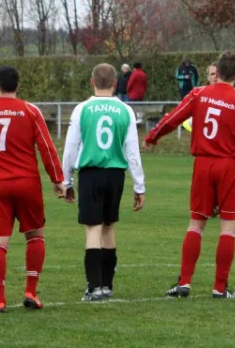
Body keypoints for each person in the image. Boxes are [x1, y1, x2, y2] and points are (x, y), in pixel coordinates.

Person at [144, 51, 235, 299]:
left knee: (196, 224)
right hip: (229, 167)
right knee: (228, 227)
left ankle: (184, 283)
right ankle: (219, 288)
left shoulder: (199, 94)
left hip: (202, 165)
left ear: (217, 72)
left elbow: (173, 117)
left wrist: (153, 136)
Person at [0, 66, 65, 313]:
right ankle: (30, 292)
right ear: (18, 86)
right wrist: (57, 179)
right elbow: (46, 147)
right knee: (35, 236)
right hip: (27, 183)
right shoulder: (29, 110)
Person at [61, 63, 146, 301]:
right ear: (116, 83)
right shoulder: (126, 110)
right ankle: (107, 286)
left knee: (93, 229)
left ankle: (94, 286)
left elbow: (70, 149)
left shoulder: (82, 109)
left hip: (90, 173)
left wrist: (65, 180)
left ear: (92, 82)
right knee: (109, 227)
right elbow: (132, 151)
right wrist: (139, 186)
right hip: (115, 175)